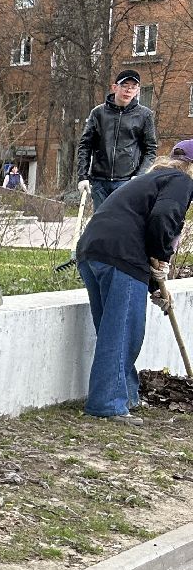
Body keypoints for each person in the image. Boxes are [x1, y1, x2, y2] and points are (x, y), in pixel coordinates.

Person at [75, 138, 193, 422]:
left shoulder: (151, 179)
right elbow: (163, 218)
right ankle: (107, 404)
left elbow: (143, 222)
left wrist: (153, 284)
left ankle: (125, 395)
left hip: (93, 252)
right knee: (125, 332)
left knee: (114, 330)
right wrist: (160, 257)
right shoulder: (180, 181)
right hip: (121, 255)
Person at [77, 69, 158, 210]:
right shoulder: (98, 113)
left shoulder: (144, 115)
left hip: (127, 181)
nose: (128, 90)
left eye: (133, 87)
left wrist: (140, 175)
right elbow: (85, 146)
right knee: (101, 224)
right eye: (125, 85)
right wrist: (82, 176)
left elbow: (150, 150)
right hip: (99, 181)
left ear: (138, 90)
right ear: (115, 87)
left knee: (122, 224)